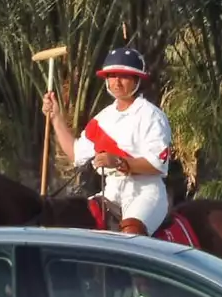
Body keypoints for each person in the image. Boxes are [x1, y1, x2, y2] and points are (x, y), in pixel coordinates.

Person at [42, 46, 173, 236]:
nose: (116, 82)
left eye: (124, 76)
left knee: (131, 233)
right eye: (112, 76)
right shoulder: (102, 118)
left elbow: (157, 165)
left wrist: (118, 161)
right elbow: (76, 154)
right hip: (111, 193)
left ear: (137, 79)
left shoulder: (152, 115)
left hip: (145, 193)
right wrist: (56, 118)